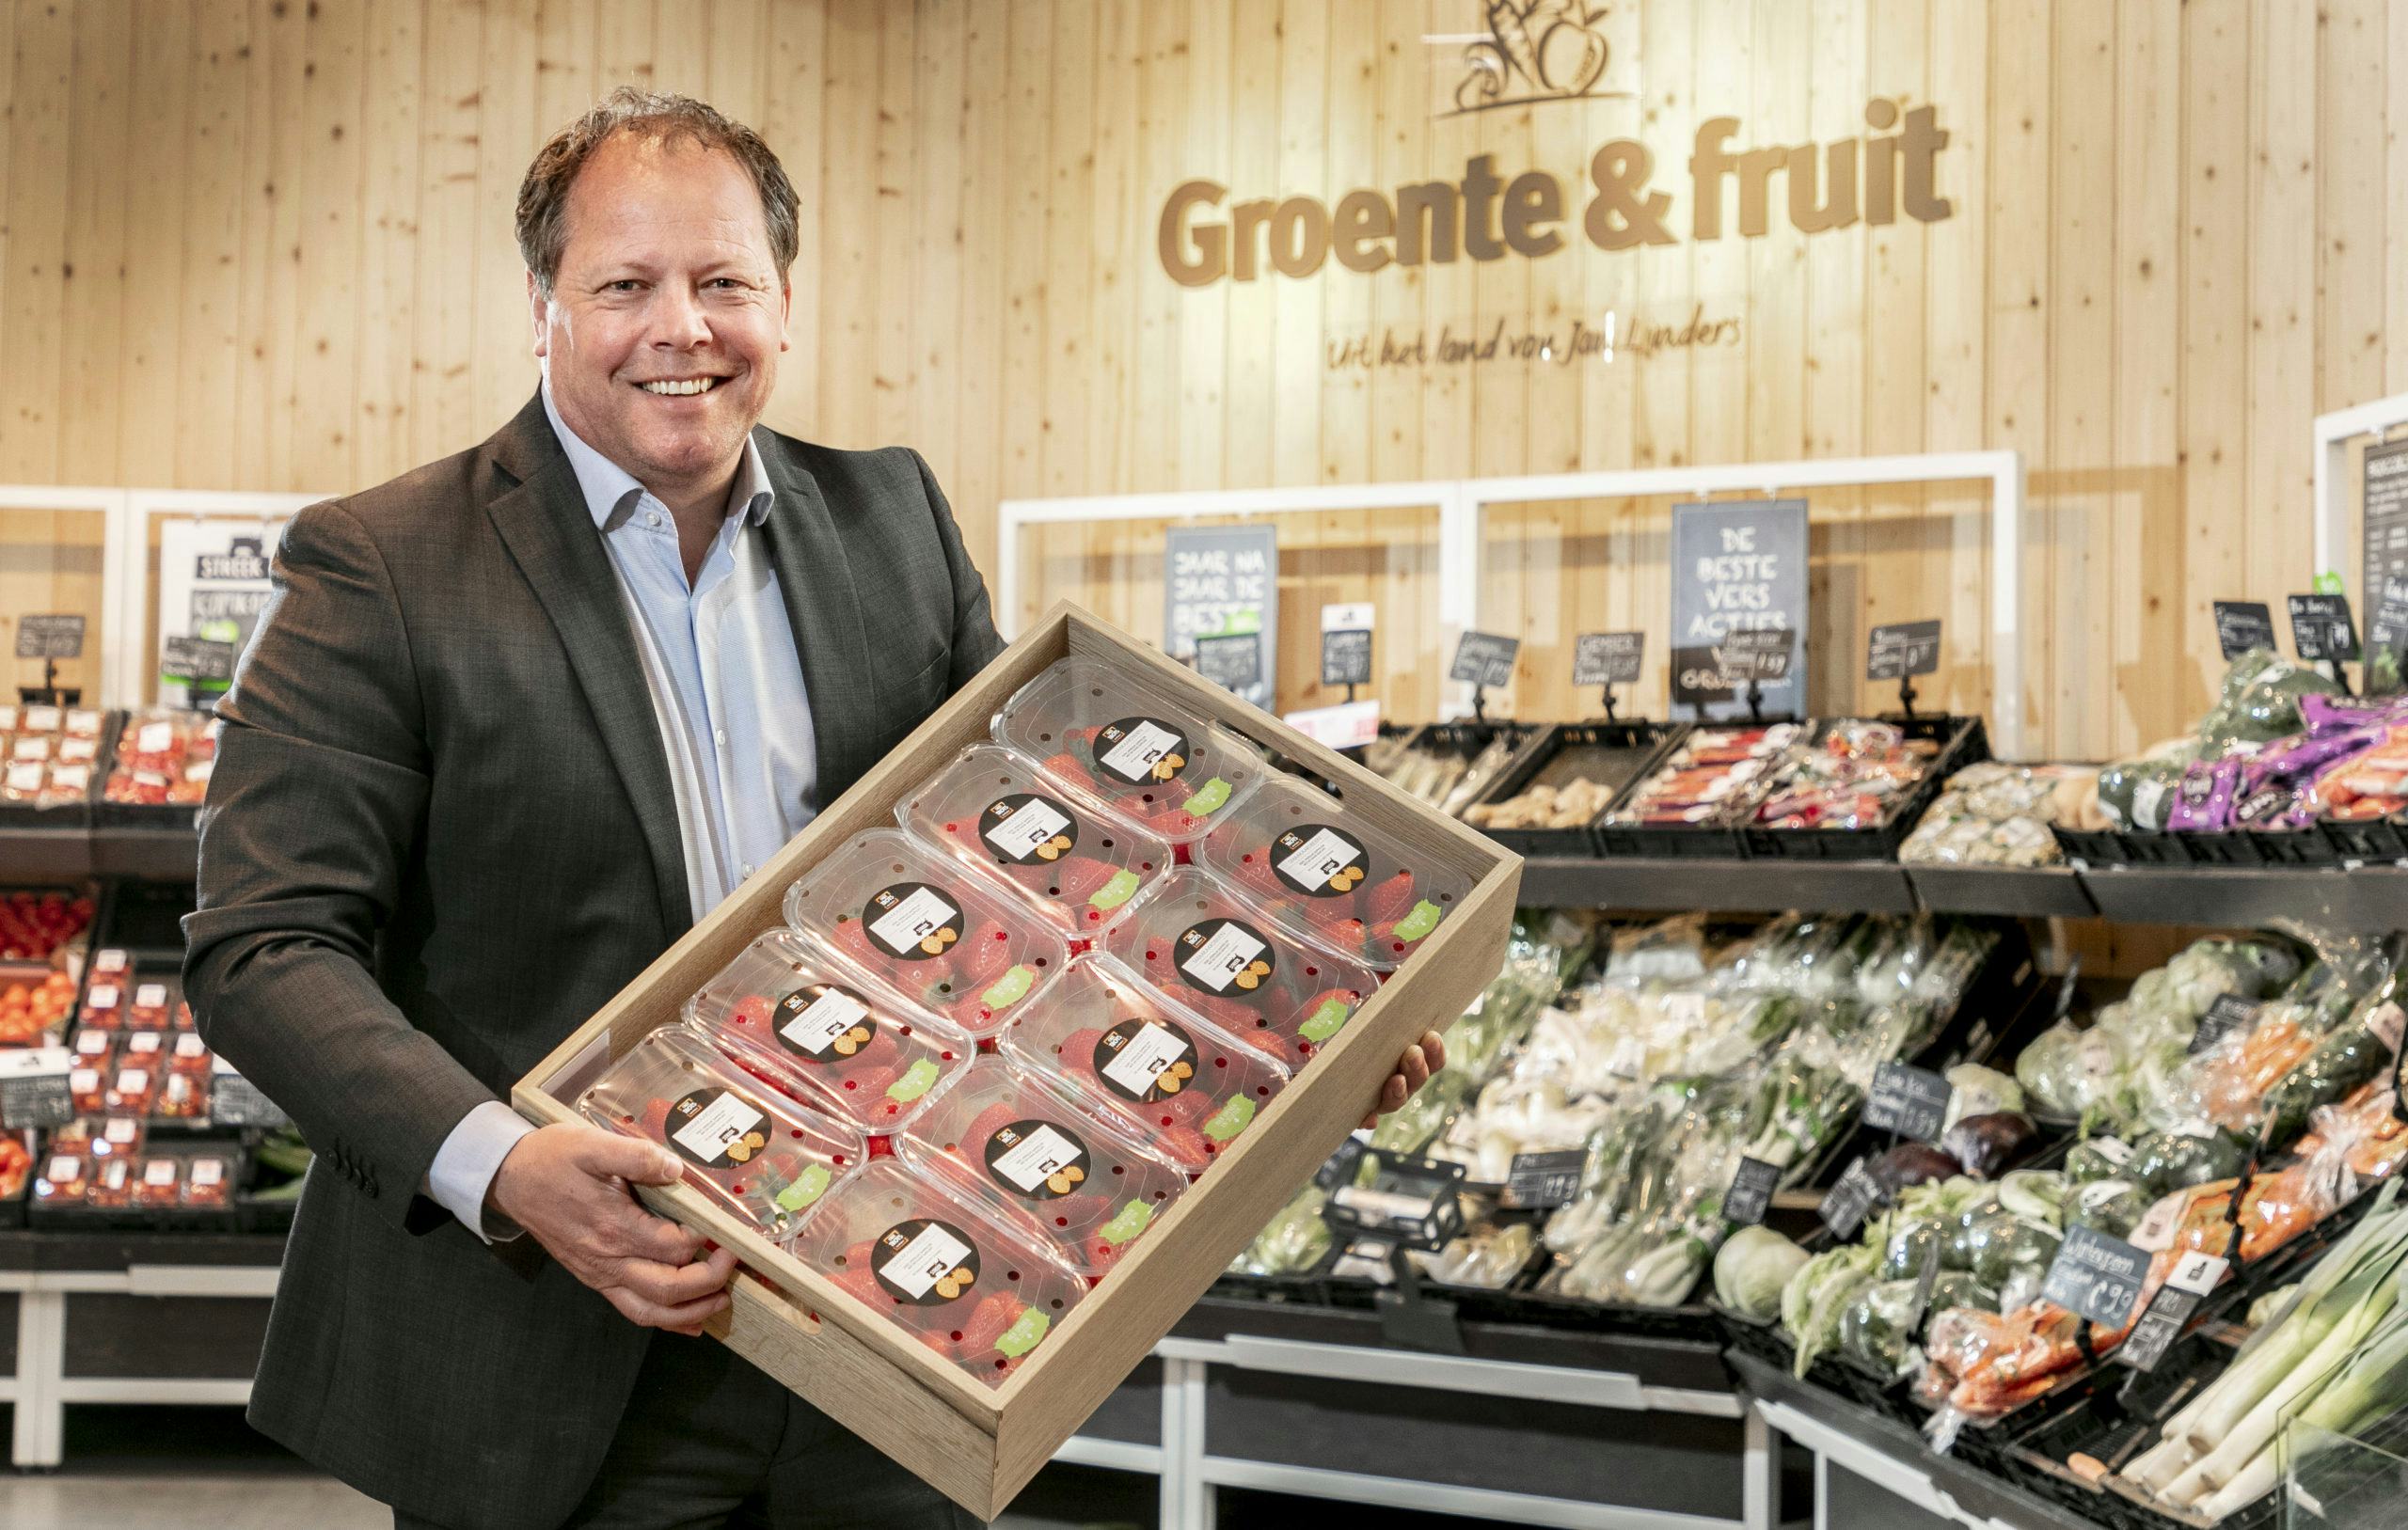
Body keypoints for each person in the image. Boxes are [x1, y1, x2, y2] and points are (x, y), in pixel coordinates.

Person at [182, 88, 1446, 1530]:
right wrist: (511, 1169)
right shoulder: (385, 566)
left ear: (785, 301)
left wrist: (1292, 1026)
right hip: (552, 1360)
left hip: (886, 1338)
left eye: (726, 282)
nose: (683, 327)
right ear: (543, 305)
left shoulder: (894, 522)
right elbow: (264, 948)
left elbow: (1058, 873)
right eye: (626, 286)